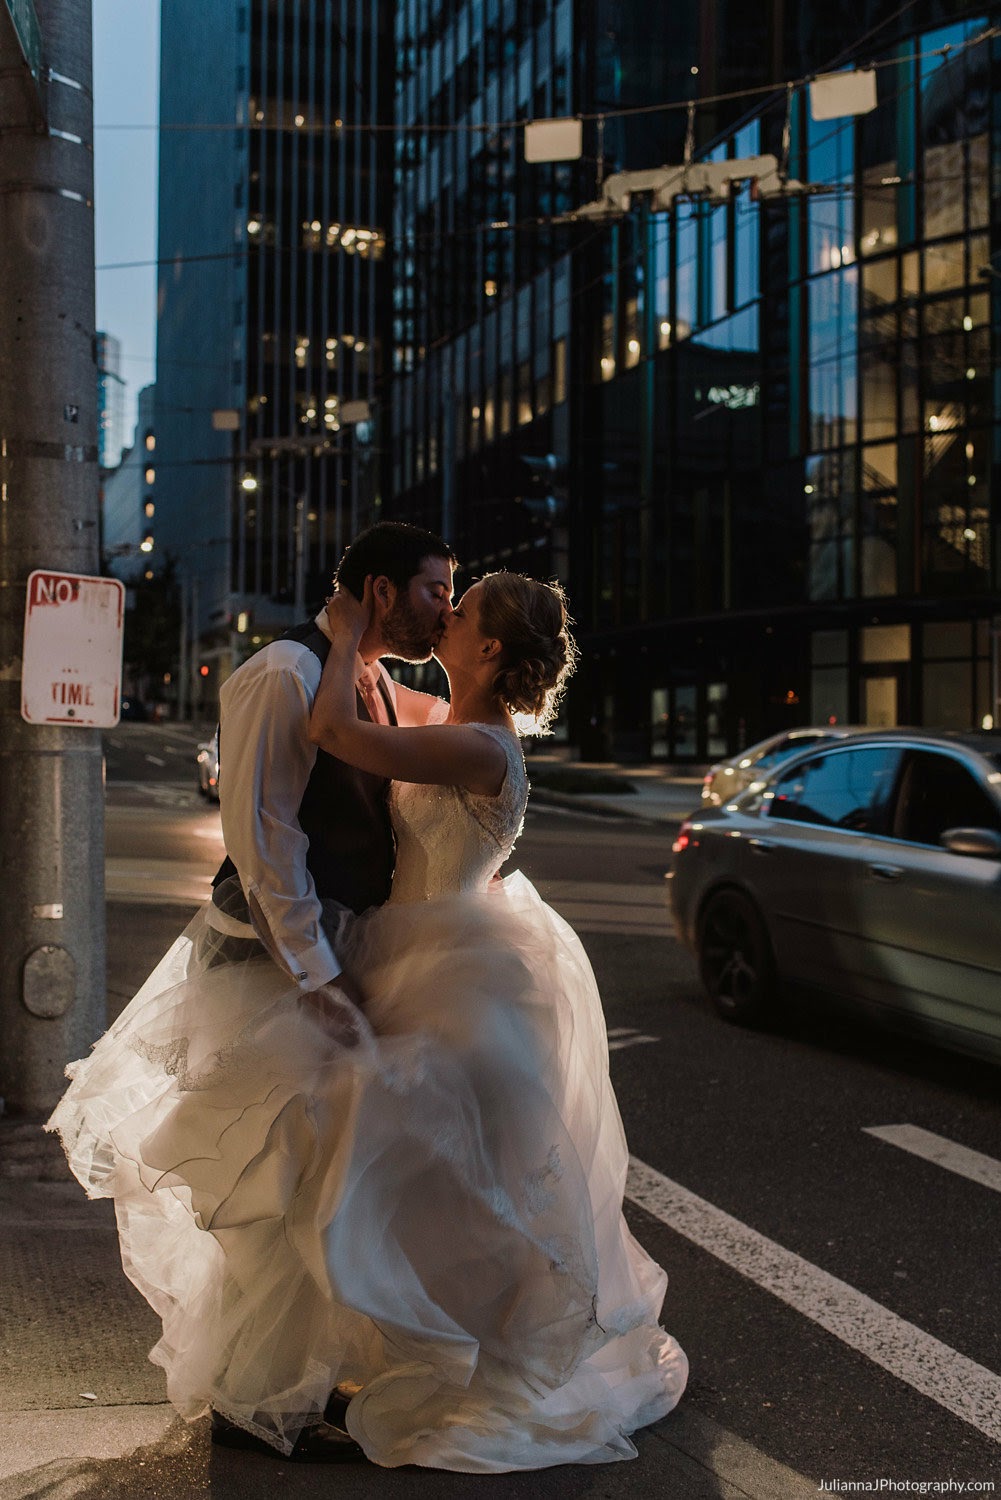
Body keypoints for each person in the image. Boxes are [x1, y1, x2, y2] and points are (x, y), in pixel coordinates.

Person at [46, 567, 687, 1472]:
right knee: (370, 1179)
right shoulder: (451, 719)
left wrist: (347, 627)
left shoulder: (481, 748)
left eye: (458, 612)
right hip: (413, 956)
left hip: (451, 981)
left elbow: (336, 730)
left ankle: (441, 1362)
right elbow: (380, 703)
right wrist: (369, 648)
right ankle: (343, 1362)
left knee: (388, 1180)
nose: (445, 616)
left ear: (490, 647)